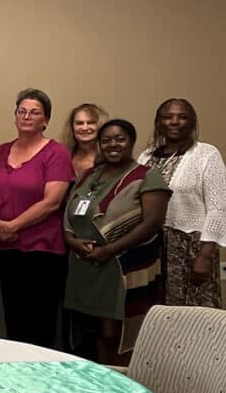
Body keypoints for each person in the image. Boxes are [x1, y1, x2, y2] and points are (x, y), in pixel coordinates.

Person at [64, 119, 170, 365]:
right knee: (88, 333)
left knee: (115, 334)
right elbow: (68, 212)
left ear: (131, 142)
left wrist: (109, 250)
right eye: (107, 140)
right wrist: (71, 241)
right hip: (84, 267)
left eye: (120, 139)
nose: (113, 144)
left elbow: (151, 224)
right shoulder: (90, 175)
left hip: (121, 267)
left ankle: (121, 382)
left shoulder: (147, 176)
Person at [0, 88, 74, 348]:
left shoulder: (55, 153)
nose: (26, 116)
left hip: (42, 249)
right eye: (21, 111)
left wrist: (14, 225)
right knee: (13, 316)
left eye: (34, 112)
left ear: (45, 119)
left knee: (40, 320)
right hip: (6, 246)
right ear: (15, 116)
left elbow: (52, 202)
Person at [138, 98, 226, 308]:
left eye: (182, 117)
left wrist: (205, 256)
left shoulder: (206, 154)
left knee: (196, 312)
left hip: (192, 247)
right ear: (159, 123)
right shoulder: (146, 156)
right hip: (153, 246)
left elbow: (219, 208)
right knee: (160, 311)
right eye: (168, 117)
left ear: (193, 123)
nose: (175, 121)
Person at [63, 103, 108, 179]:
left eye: (91, 123)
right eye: (79, 123)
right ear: (72, 127)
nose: (85, 128)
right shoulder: (64, 157)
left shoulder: (108, 158)